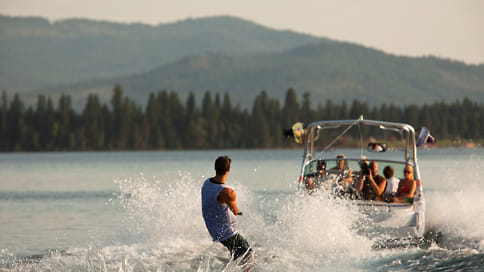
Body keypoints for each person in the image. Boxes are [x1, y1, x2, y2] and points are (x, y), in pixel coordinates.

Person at [201, 156, 253, 266]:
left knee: (239, 258)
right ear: (228, 170)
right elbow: (235, 210)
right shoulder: (227, 192)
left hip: (214, 231)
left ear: (215, 168)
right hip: (227, 233)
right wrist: (239, 212)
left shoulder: (206, 183)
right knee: (247, 256)